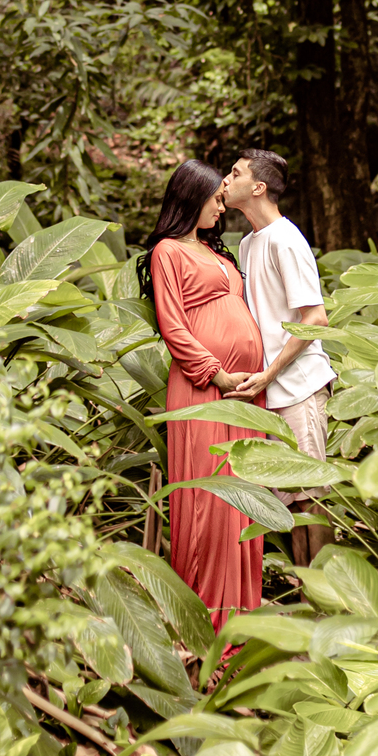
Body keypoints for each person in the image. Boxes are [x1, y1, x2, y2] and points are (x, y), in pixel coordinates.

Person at [138, 159, 266, 634]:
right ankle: (203, 623)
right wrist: (217, 373)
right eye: (215, 198)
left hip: (245, 392)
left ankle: (242, 616)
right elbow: (174, 327)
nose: (221, 206)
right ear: (192, 197)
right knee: (210, 504)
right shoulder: (168, 252)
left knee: (241, 500)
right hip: (202, 389)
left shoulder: (221, 255)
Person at [225, 149, 337, 568]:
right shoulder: (250, 241)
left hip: (298, 386)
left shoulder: (287, 239)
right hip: (271, 389)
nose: (225, 179)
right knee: (288, 502)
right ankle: (300, 589)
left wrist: (268, 373)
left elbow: (316, 319)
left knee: (312, 497)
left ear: (258, 187)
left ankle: (329, 602)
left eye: (234, 173)